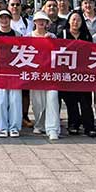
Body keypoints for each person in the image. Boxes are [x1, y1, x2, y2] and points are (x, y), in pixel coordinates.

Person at [60, 11, 96, 137]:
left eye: (78, 20)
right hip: (67, 74)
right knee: (71, 102)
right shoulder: (63, 34)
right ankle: (73, 125)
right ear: (69, 21)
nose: (76, 22)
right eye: (73, 19)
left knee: (86, 101)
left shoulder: (86, 35)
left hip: (83, 74)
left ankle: (89, 127)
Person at [27, 12, 60, 141]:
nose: (41, 23)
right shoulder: (28, 36)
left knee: (52, 98)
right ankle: (39, 124)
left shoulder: (52, 36)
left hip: (51, 75)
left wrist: (51, 42)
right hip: (35, 75)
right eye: (38, 20)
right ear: (34, 22)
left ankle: (52, 128)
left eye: (44, 20)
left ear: (47, 23)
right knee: (37, 103)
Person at [0, 9, 22, 137]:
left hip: (14, 72)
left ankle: (14, 127)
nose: (4, 20)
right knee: (1, 100)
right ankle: (2, 127)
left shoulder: (17, 35)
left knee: (15, 99)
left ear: (10, 19)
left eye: (6, 18)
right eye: (1, 18)